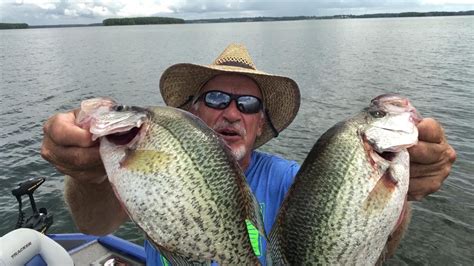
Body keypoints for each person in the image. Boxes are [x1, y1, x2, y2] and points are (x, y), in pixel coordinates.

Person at [41, 43, 456, 265]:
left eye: (249, 105)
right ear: (194, 111)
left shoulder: (296, 178)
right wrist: (89, 173)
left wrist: (402, 196)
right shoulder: (162, 166)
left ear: (260, 126)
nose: (232, 112)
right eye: (217, 97)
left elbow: (364, 237)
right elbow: (94, 223)